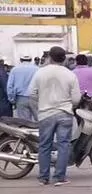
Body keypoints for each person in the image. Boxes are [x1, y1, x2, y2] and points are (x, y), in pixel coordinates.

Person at [29, 46, 81, 186]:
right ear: (64, 59)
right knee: (63, 145)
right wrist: (70, 106)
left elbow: (31, 94)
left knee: (44, 145)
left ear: (49, 57)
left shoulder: (40, 73)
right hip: (64, 114)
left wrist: (39, 109)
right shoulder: (70, 74)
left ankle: (43, 177)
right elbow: (76, 98)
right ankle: (59, 177)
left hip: (45, 114)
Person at [7, 55, 39, 121]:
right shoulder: (37, 69)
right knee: (40, 120)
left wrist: (12, 99)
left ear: (20, 60)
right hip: (35, 98)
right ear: (31, 60)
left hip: (21, 98)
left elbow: (10, 86)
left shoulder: (15, 69)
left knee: (25, 122)